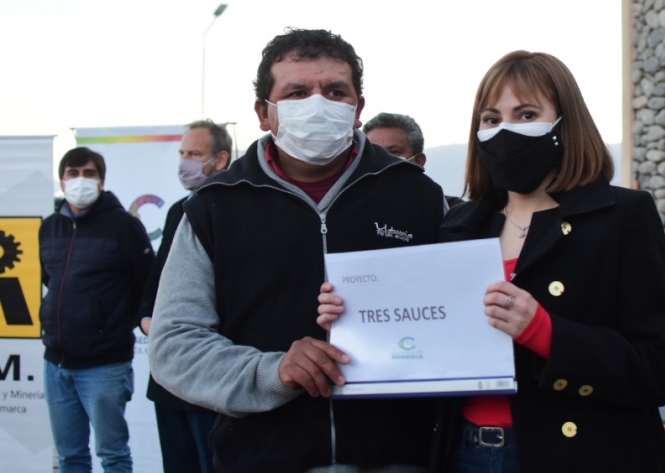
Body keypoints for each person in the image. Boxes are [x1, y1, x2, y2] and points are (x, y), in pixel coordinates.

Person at [318, 51, 665, 472]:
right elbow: (428, 340)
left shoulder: (622, 216)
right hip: (465, 452)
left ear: (566, 124)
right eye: (492, 120)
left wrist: (546, 333)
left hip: (581, 454)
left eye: (526, 114)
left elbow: (659, 368)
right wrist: (357, 321)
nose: (505, 131)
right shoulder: (459, 225)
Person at [147, 28, 446, 473]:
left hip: (398, 460)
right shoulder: (214, 207)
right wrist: (273, 372)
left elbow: (456, 316)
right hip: (260, 458)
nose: (318, 104)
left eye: (335, 91)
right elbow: (173, 345)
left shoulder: (417, 196)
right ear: (264, 113)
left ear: (358, 108)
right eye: (297, 92)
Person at [39, 147, 154, 473]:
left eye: (88, 174)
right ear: (62, 179)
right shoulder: (49, 227)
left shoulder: (124, 227)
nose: (80, 180)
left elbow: (147, 285)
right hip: (56, 365)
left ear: (102, 181)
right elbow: (51, 280)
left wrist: (111, 325)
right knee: (70, 457)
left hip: (104, 365)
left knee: (113, 455)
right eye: (73, 174)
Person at [138, 119, 231, 473]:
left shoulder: (238, 209)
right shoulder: (179, 209)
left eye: (194, 154)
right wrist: (146, 316)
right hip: (167, 378)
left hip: (212, 374)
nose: (185, 162)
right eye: (182, 153)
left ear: (220, 159)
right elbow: (158, 277)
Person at [363, 112, 464, 207]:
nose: (382, 158)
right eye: (374, 151)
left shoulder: (449, 212)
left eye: (394, 152)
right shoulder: (350, 205)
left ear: (418, 161)